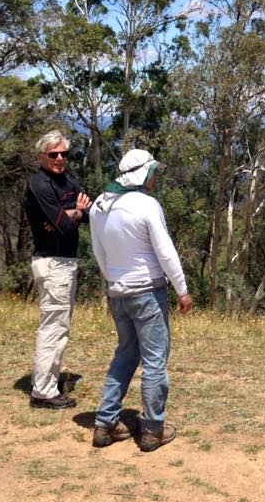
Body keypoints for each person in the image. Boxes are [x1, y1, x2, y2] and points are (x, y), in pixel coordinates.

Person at [88, 149, 193, 451]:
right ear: (143, 173)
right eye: (154, 171)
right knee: (155, 360)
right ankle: (152, 430)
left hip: (118, 292)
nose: (156, 177)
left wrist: (113, 280)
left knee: (125, 354)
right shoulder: (147, 204)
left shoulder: (99, 204)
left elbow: (99, 252)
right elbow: (165, 251)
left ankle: (105, 424)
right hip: (148, 292)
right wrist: (182, 289)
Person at [23, 130, 92, 409]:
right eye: (53, 154)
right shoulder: (39, 185)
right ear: (41, 156)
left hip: (64, 262)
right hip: (53, 264)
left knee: (58, 327)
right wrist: (71, 214)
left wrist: (71, 214)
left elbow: (86, 213)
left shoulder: (67, 182)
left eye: (64, 153)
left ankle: (45, 381)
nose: (60, 158)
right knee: (54, 329)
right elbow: (64, 225)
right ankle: (43, 392)